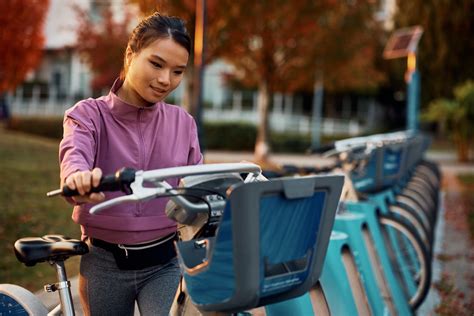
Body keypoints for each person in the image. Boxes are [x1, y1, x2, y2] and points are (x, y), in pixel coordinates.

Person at [59, 12, 202, 315]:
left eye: (178, 71)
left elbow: (199, 189)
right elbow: (74, 159)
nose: (166, 80)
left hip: (166, 262)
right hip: (104, 264)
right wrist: (79, 180)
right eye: (156, 63)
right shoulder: (86, 116)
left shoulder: (183, 123)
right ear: (130, 54)